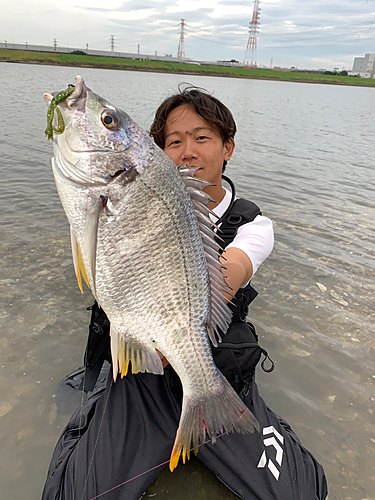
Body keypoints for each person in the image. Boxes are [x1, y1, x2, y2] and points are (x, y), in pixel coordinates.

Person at [42, 86, 328, 500]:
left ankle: (210, 409)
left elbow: (227, 276)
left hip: (213, 370)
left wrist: (173, 324)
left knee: (301, 493)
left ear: (228, 147)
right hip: (143, 377)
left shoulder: (253, 225)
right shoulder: (125, 192)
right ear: (157, 154)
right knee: (74, 493)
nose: (188, 151)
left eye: (202, 137)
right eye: (174, 142)